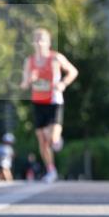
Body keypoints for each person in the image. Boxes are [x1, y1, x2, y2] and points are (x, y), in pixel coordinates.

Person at [21, 27, 78, 183]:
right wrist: (30, 80)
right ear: (33, 43)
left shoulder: (55, 58)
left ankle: (57, 139)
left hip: (54, 101)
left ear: (48, 42)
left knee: (51, 138)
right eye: (36, 40)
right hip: (38, 102)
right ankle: (51, 170)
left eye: (42, 40)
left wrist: (63, 84)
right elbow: (24, 85)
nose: (39, 43)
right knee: (42, 140)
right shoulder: (29, 61)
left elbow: (73, 71)